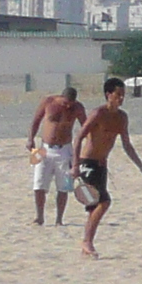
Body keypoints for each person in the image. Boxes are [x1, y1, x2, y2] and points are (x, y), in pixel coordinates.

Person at [74, 78, 142, 258]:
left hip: (102, 165)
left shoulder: (122, 117)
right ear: (109, 95)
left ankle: (87, 245)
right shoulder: (98, 114)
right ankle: (87, 242)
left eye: (123, 95)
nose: (121, 98)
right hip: (87, 163)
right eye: (118, 95)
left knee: (94, 208)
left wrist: (141, 167)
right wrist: (75, 164)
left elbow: (126, 144)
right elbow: (79, 138)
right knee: (104, 202)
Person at [29, 87, 84, 228]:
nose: (67, 106)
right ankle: (39, 217)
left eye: (70, 104)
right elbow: (36, 120)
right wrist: (30, 139)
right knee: (38, 184)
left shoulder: (77, 108)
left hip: (65, 149)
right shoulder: (48, 102)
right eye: (65, 103)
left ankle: (59, 219)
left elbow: (86, 127)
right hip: (44, 148)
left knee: (64, 186)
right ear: (61, 97)